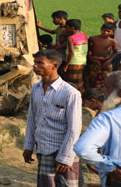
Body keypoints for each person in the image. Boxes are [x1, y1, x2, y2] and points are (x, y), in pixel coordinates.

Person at [23, 49, 82, 187]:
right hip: (43, 149)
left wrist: (65, 157)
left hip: (63, 150)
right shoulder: (36, 89)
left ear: (54, 66)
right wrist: (28, 145)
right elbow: (32, 119)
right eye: (35, 62)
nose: (35, 66)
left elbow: (74, 128)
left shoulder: (70, 93)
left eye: (40, 63)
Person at [86, 23, 118, 89]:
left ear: (113, 32)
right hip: (93, 61)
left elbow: (115, 53)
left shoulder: (112, 42)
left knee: (106, 78)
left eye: (108, 31)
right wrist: (91, 59)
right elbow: (87, 50)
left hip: (105, 61)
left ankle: (103, 92)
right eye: (103, 30)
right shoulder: (93, 38)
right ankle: (91, 92)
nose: (105, 32)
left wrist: (108, 61)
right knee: (91, 78)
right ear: (101, 29)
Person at [63, 19, 88, 91]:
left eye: (66, 27)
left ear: (72, 28)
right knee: (79, 81)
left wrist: (66, 65)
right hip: (82, 61)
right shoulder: (84, 36)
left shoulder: (70, 38)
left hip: (73, 62)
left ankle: (79, 98)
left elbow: (71, 53)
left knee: (73, 83)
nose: (65, 29)